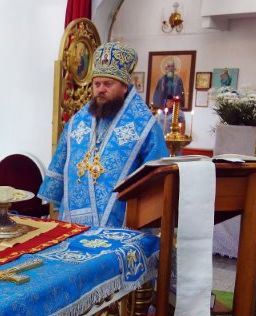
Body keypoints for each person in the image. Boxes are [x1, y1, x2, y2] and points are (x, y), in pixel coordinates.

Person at [39, 42, 168, 227]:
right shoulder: (77, 122)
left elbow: (156, 179)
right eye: (97, 84)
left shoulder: (144, 125)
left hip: (121, 227)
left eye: (108, 84)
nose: (100, 89)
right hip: (71, 224)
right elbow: (60, 163)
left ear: (124, 87)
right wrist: (56, 210)